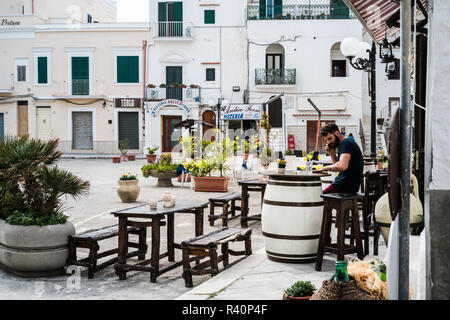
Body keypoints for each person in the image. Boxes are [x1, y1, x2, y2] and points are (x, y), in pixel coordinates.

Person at [314, 124, 363, 194]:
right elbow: (338, 167)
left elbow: (342, 166)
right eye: (326, 140)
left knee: (318, 197)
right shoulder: (344, 143)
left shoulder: (346, 143)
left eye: (330, 138)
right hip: (345, 184)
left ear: (337, 133)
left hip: (345, 185)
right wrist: (332, 153)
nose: (328, 142)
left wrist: (324, 168)